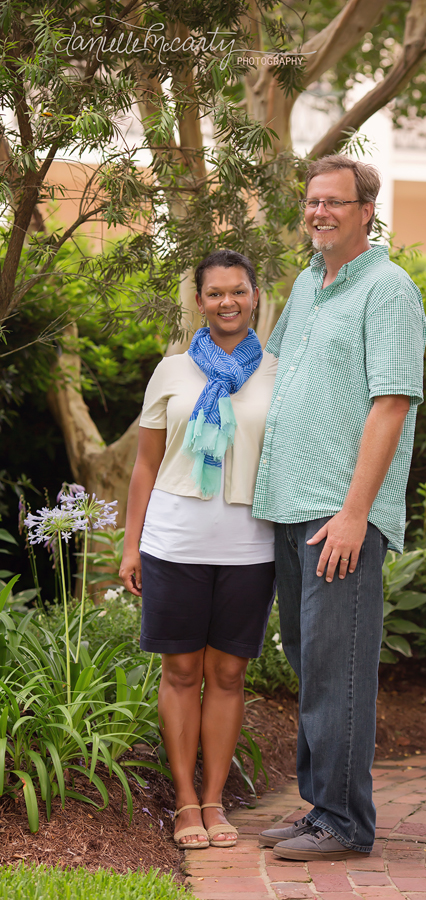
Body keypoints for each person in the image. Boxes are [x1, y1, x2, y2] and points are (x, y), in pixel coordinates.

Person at [252, 155, 426, 861]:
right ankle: (320, 806)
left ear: (365, 212)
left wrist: (357, 512)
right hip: (291, 505)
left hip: (338, 513)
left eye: (333, 202)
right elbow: (274, 374)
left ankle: (346, 823)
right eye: (312, 202)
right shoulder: (307, 284)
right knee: (310, 662)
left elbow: (391, 405)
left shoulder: (389, 291)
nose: (319, 212)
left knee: (339, 668)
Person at [120, 250, 277, 850]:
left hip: (250, 544)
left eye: (238, 291)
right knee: (182, 670)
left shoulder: (279, 374)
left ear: (255, 296)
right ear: (199, 300)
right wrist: (131, 546)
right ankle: (185, 801)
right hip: (174, 540)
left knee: (229, 674)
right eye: (215, 293)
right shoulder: (172, 371)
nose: (227, 302)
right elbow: (145, 465)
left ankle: (216, 800)